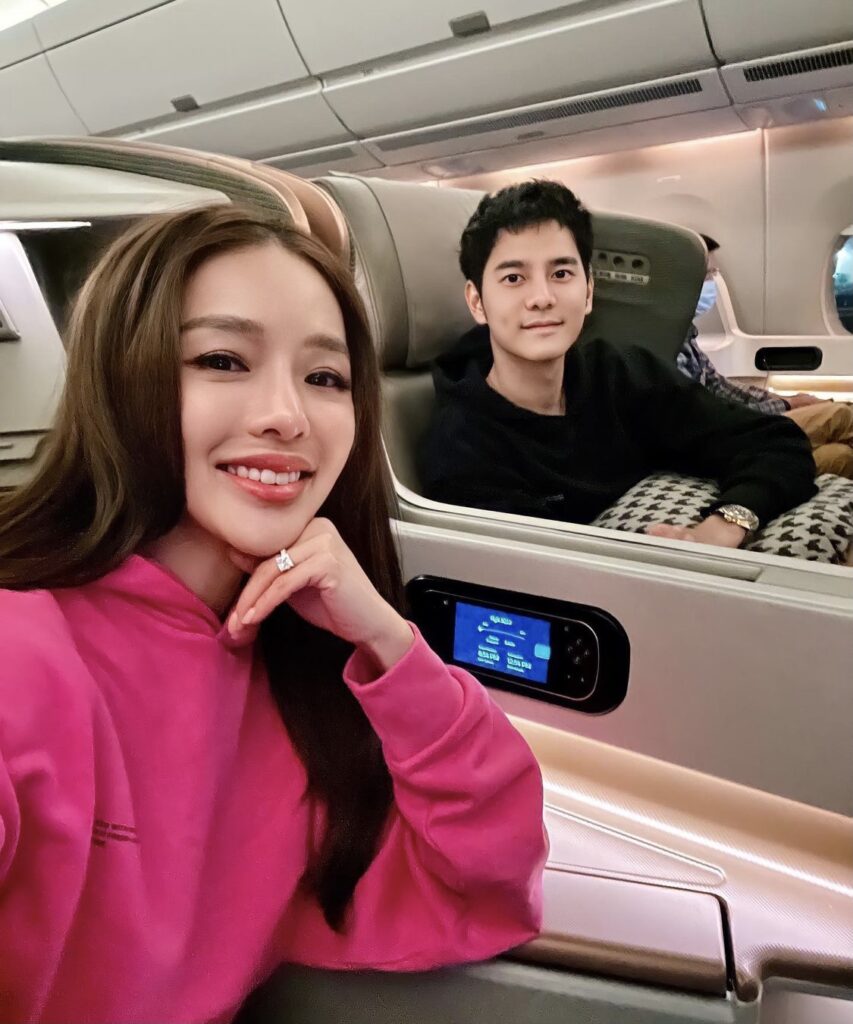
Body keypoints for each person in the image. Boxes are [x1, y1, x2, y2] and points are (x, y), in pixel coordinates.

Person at [0, 206, 548, 1023]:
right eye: (222, 360)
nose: (287, 415)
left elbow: (488, 876)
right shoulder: (21, 652)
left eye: (325, 378)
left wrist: (389, 644)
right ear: (121, 380)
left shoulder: (304, 687)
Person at [419, 180, 817, 550]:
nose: (542, 297)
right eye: (513, 278)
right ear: (477, 302)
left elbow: (777, 442)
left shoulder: (620, 374)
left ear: (588, 291)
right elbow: (540, 573)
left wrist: (723, 527)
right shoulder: (463, 448)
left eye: (561, 273)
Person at [678, 235, 853, 479]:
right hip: (722, 446)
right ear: (682, 281)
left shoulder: (684, 333)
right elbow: (710, 417)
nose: (713, 283)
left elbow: (722, 388)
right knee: (841, 416)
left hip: (729, 436)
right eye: (709, 275)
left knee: (840, 456)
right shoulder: (666, 344)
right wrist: (785, 406)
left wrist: (786, 399)